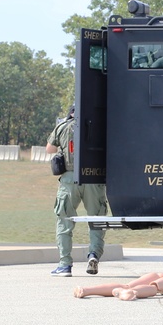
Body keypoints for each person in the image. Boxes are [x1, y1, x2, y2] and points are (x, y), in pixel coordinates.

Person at [46, 105, 109, 277]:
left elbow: (49, 149)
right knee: (96, 219)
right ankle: (94, 255)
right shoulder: (100, 125)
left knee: (64, 221)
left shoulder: (63, 126)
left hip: (69, 179)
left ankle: (65, 264)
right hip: (94, 178)